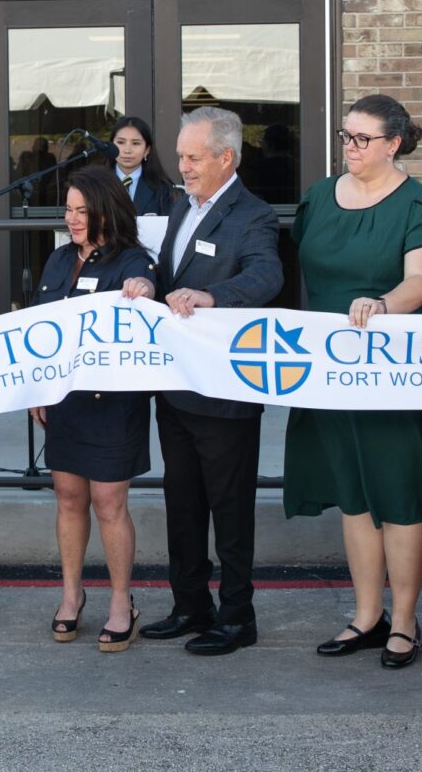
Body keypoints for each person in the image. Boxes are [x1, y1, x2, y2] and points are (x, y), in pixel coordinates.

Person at [282, 95, 422, 670]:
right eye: (345, 136)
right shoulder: (318, 196)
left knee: (399, 489)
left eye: (361, 139)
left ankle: (404, 621)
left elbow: (420, 283)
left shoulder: (419, 207)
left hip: (397, 362)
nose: (350, 148)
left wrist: (382, 305)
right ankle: (366, 615)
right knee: (352, 492)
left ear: (394, 143)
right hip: (330, 364)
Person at [121, 106, 284, 657]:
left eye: (193, 157)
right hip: (175, 385)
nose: (183, 166)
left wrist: (214, 297)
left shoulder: (253, 214)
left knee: (230, 508)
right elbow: (170, 274)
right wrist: (147, 280)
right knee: (182, 502)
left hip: (226, 389)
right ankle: (191, 604)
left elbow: (266, 275)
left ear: (225, 158)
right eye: (182, 156)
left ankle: (238, 616)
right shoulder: (176, 204)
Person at [27, 167, 157, 652]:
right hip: (65, 401)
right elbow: (39, 330)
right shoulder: (59, 260)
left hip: (112, 404)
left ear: (106, 210)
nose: (72, 218)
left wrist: (142, 291)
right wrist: (37, 389)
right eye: (69, 209)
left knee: (109, 503)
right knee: (66, 497)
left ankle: (122, 603)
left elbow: (144, 285)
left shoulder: (132, 260)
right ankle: (72, 595)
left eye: (83, 210)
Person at [110, 117, 175, 216]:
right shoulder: (95, 183)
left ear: (147, 150)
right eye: (121, 142)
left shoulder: (163, 189)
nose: (127, 150)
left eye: (135, 143)